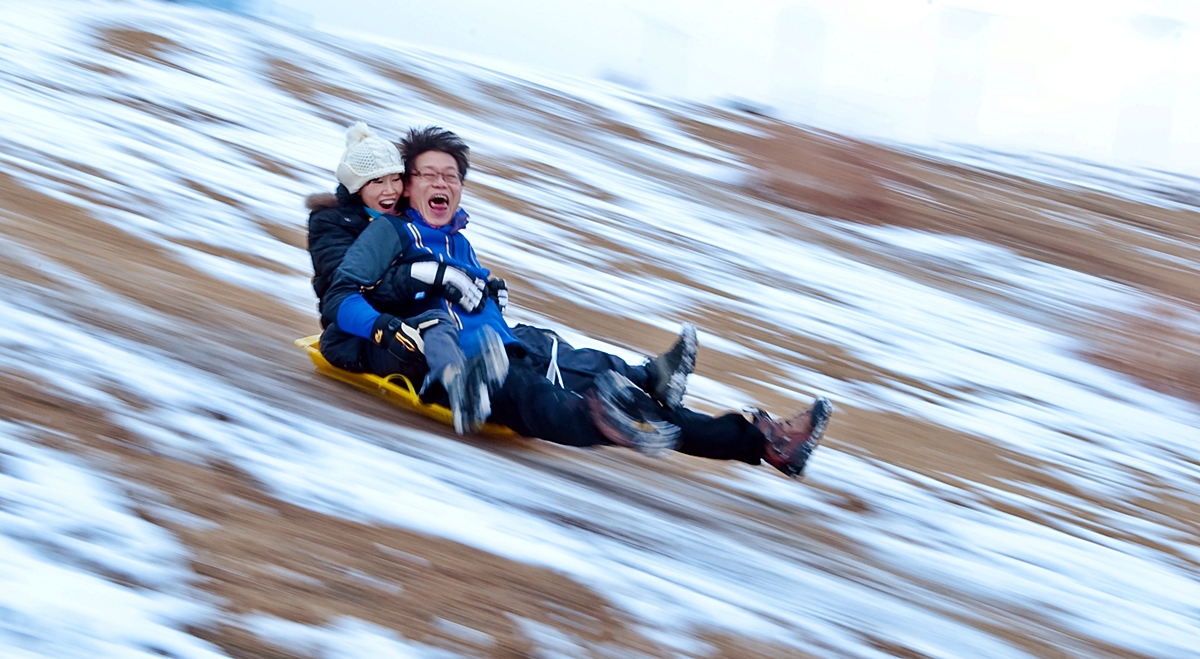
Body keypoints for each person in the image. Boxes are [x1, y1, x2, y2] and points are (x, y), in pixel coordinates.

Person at [310, 122, 833, 478]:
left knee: (605, 381)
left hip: (506, 346)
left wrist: (487, 292)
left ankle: (763, 442)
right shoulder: (388, 233)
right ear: (407, 188)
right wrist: (409, 300)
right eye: (428, 175)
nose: (441, 183)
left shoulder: (457, 239)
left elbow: (467, 291)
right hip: (463, 367)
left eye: (452, 175)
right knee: (546, 398)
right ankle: (600, 418)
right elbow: (349, 294)